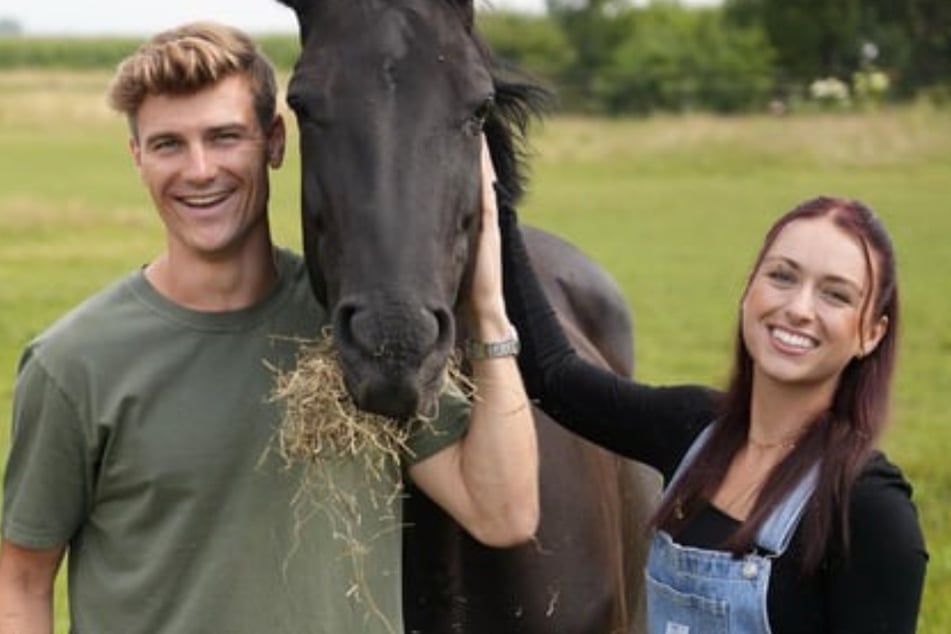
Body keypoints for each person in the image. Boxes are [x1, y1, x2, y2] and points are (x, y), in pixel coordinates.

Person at [0, 22, 537, 634]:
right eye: (169, 144)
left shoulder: (353, 331)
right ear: (138, 159)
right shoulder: (73, 363)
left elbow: (503, 514)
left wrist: (488, 310)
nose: (200, 170)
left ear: (276, 142)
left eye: (225, 137)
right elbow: (20, 583)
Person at [484, 177, 927, 633]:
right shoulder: (693, 429)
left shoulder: (869, 510)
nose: (798, 308)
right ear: (748, 291)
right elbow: (556, 379)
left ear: (871, 333)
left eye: (835, 294)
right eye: (782, 276)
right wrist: (493, 206)